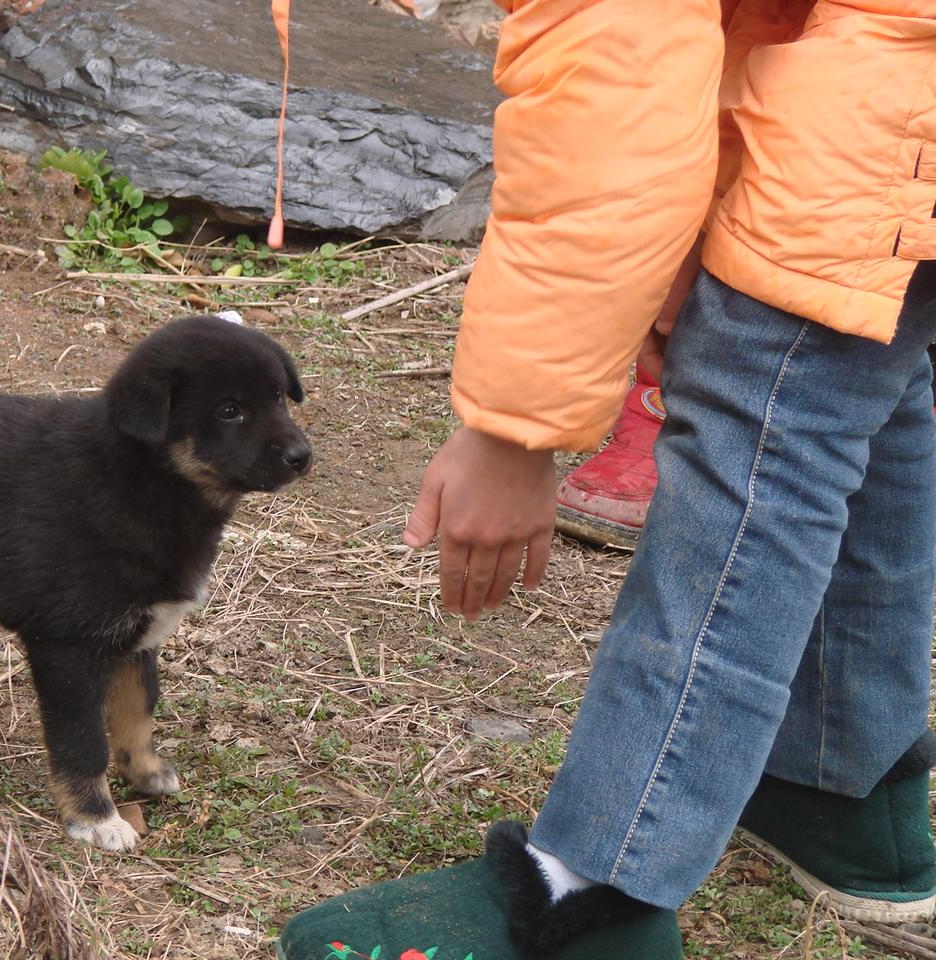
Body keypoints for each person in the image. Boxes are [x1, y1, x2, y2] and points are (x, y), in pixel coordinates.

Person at [279, 1, 936, 958]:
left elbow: (615, 89)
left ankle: (593, 895)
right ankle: (836, 789)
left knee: (766, 424)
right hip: (901, 87)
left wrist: (515, 433)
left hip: (886, 108)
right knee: (865, 364)